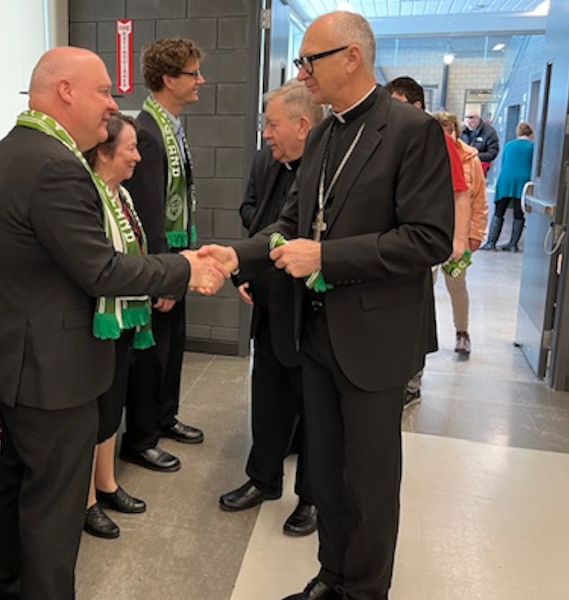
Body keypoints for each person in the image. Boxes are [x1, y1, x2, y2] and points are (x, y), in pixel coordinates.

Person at [201, 12, 454, 600]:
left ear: (352, 58)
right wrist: (236, 255)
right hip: (315, 335)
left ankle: (364, 592)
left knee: (367, 480)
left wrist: (328, 258)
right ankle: (332, 576)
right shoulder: (324, 134)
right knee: (329, 474)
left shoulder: (411, 131)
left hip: (374, 339)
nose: (302, 72)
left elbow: (428, 240)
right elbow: (290, 226)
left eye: (310, 59)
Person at [0, 47, 226, 600]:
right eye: (104, 92)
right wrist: (184, 267)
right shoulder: (56, 165)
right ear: (65, 90)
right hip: (51, 370)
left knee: (18, 489)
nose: (112, 106)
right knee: (55, 513)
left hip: (17, 360)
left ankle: (7, 588)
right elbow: (101, 268)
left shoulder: (9, 150)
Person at [221, 81, 323, 537]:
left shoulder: (327, 170)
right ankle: (263, 478)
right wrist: (242, 272)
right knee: (267, 398)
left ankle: (313, 499)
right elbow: (262, 223)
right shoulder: (269, 162)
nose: (265, 133)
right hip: (269, 300)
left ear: (303, 126)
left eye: (271, 124)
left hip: (311, 310)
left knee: (315, 411)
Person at [122, 37, 207, 473]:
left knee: (174, 347)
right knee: (151, 353)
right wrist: (164, 275)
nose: (200, 81)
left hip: (179, 255)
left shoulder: (170, 125)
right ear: (169, 78)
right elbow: (149, 211)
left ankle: (164, 417)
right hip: (162, 260)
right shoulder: (148, 133)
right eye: (193, 73)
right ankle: (140, 438)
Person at [81, 112, 150, 539]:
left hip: (123, 316)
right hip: (98, 320)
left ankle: (106, 482)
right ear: (104, 154)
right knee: (97, 408)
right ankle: (86, 498)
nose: (138, 157)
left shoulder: (120, 194)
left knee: (114, 402)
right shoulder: (89, 195)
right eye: (130, 148)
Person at [384, 77, 469, 408]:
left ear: (417, 106)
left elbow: (460, 192)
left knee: (417, 309)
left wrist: (458, 240)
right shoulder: (386, 136)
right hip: (393, 241)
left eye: (399, 103)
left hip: (425, 242)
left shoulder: (433, 136)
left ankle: (412, 382)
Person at [434, 111, 489, 354]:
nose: (447, 135)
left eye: (450, 129)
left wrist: (475, 233)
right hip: (431, 230)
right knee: (423, 287)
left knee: (457, 285)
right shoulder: (429, 155)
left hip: (459, 232)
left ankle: (462, 332)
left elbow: (478, 199)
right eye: (442, 130)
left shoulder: (470, 158)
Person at [482, 122, 535, 252]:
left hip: (505, 180)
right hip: (523, 181)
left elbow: (504, 162)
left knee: (499, 212)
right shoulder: (533, 147)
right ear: (531, 134)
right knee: (519, 213)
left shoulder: (508, 145)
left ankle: (491, 242)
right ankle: (513, 244)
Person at [461, 109, 500, 173]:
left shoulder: (489, 132)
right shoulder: (462, 131)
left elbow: (492, 153)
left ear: (477, 119)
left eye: (471, 123)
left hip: (480, 167)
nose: (469, 125)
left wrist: (475, 156)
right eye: (467, 124)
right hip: (464, 166)